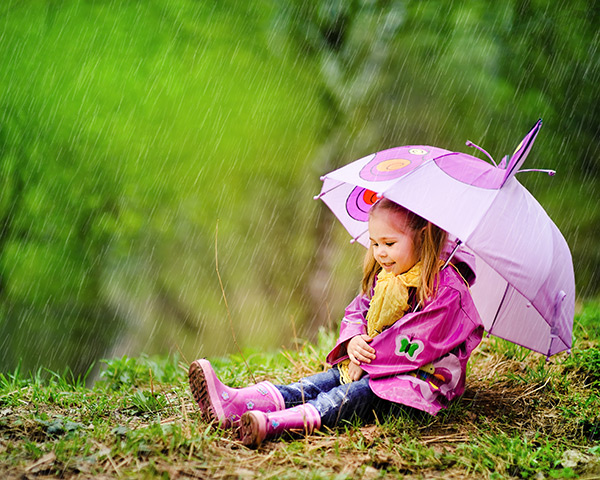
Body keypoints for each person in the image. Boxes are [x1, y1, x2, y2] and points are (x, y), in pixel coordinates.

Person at [188, 198, 484, 448]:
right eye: (374, 243)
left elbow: (416, 341)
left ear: (423, 236)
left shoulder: (446, 290)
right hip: (372, 362)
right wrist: (355, 340)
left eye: (390, 243)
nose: (380, 252)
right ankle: (236, 403)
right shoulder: (387, 278)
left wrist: (369, 360)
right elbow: (358, 310)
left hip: (419, 381)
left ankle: (275, 424)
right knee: (321, 382)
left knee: (355, 395)